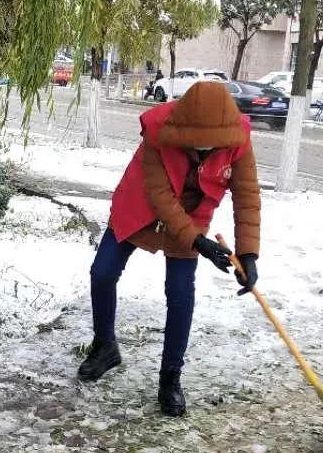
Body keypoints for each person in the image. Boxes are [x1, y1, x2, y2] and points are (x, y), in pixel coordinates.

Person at [77, 80, 260, 417]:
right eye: (197, 143)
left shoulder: (237, 139)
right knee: (102, 272)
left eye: (211, 145)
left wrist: (248, 254)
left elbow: (247, 197)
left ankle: (170, 378)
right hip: (140, 204)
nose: (204, 150)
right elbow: (160, 197)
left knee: (179, 292)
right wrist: (199, 242)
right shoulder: (158, 132)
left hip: (191, 215)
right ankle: (105, 346)